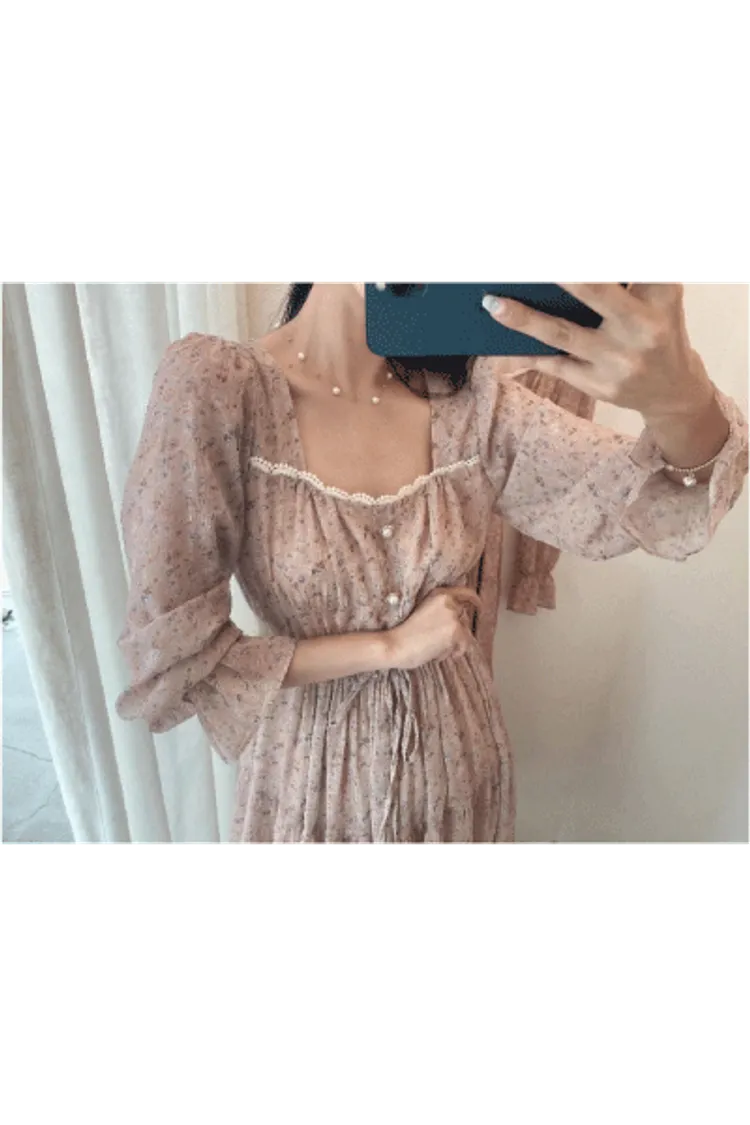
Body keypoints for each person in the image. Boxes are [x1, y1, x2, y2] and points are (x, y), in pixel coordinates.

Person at [115, 282, 749, 844]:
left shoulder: (476, 407)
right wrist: (387, 647)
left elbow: (648, 500)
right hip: (311, 782)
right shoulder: (221, 389)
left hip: (458, 771)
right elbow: (175, 654)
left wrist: (681, 401)